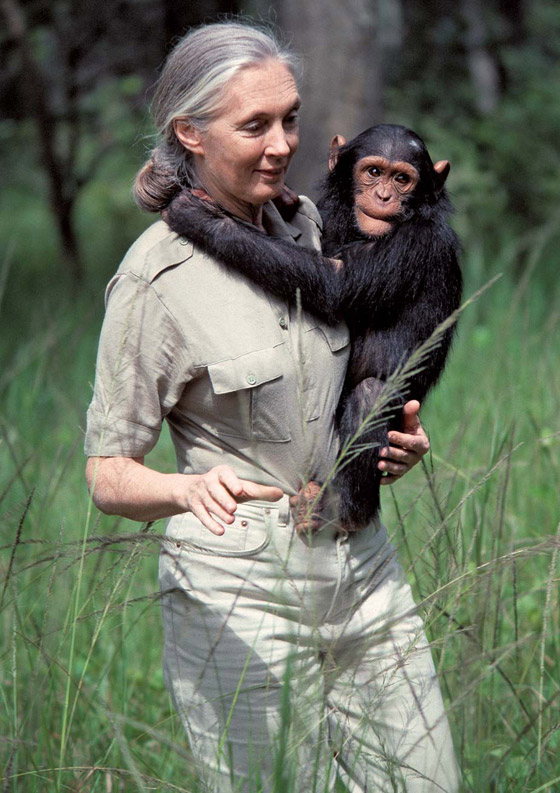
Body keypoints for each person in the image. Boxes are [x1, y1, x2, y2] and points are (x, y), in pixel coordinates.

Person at [85, 21, 460, 793]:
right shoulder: (156, 279)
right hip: (242, 589)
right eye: (254, 125)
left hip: (364, 569)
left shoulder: (320, 225)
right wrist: (185, 488)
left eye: (289, 118)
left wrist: (392, 440)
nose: (282, 142)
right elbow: (106, 474)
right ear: (189, 132)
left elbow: (370, 351)